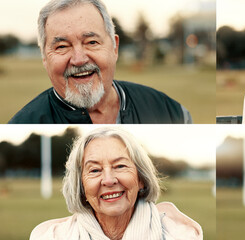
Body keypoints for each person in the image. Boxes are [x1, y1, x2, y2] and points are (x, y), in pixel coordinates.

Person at [9, 0, 191, 124]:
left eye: (91, 42)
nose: (79, 60)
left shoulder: (170, 112)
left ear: (114, 47)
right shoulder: (23, 123)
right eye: (62, 46)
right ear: (44, 57)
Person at [30, 127, 203, 240]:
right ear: (81, 186)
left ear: (141, 178)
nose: (108, 180)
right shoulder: (50, 237)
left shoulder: (182, 234)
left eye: (120, 166)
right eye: (95, 170)